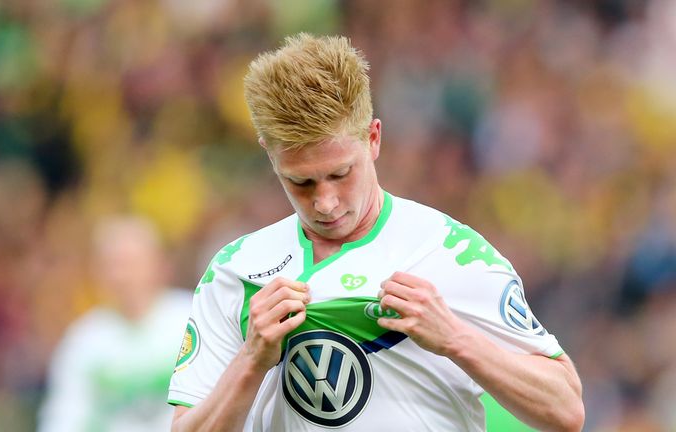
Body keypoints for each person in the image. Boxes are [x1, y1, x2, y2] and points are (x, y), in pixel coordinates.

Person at [167, 34, 584, 431]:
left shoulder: (451, 251)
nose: (325, 202)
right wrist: (252, 359)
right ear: (269, 154)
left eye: (340, 173)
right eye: (302, 183)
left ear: (373, 138)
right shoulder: (237, 271)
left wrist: (455, 337)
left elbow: (565, 410)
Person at [39, 216, 191, 432]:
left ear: (159, 264)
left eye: (131, 263)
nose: (121, 276)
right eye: (112, 265)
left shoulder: (190, 318)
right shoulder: (84, 339)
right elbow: (64, 416)